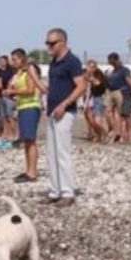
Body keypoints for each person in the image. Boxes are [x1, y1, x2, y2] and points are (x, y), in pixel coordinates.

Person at [41, 28, 86, 207]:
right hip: (52, 111)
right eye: (47, 43)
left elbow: (81, 86)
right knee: (52, 153)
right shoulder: (54, 62)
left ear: (63, 42)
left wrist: (64, 104)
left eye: (52, 43)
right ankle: (55, 191)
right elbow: (51, 87)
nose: (48, 47)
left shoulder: (72, 62)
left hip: (65, 112)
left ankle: (68, 191)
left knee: (62, 153)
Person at [6, 49, 41, 183]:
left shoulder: (29, 71)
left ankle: (32, 172)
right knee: (26, 140)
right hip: (23, 107)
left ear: (22, 59)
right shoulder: (19, 73)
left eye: (15, 59)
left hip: (30, 106)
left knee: (30, 140)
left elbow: (31, 89)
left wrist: (13, 91)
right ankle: (29, 169)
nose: (13, 62)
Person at [105, 53, 131, 143]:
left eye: (111, 60)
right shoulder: (112, 72)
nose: (109, 62)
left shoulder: (124, 70)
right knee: (109, 113)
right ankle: (117, 132)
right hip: (112, 92)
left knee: (124, 115)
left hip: (123, 93)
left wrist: (129, 91)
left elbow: (130, 82)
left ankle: (127, 135)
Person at [84, 61, 108, 143]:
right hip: (89, 98)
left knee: (97, 120)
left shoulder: (98, 75)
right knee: (90, 119)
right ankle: (98, 135)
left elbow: (98, 84)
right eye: (89, 67)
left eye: (93, 67)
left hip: (98, 98)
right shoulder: (87, 75)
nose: (91, 69)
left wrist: (90, 78)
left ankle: (105, 133)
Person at [0, 55, 18, 141]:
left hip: (10, 96)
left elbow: (14, 83)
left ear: (7, 61)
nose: (1, 63)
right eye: (0, 61)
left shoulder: (11, 71)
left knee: (10, 116)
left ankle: (15, 133)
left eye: (3, 61)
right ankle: (6, 133)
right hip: (0, 96)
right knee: (3, 116)